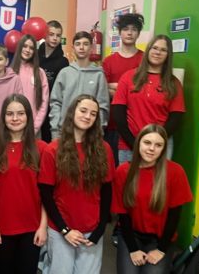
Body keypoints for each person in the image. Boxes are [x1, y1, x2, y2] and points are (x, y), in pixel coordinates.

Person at [39, 95, 114, 274]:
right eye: (83, 111)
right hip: (61, 226)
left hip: (91, 226)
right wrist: (65, 230)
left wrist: (100, 230)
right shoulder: (53, 149)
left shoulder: (104, 149)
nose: (87, 116)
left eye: (93, 114)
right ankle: (46, 255)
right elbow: (46, 194)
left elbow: (107, 190)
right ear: (72, 112)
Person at [112, 124, 192, 274]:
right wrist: (133, 249)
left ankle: (166, 261)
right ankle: (142, 260)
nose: (151, 149)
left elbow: (174, 216)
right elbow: (122, 215)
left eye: (158, 145)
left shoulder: (175, 172)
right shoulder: (123, 171)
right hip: (131, 235)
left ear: (164, 148)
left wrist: (161, 249)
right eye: (147, 142)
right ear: (138, 144)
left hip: (159, 238)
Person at [0, 94, 47, 274]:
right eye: (10, 114)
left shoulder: (41, 148)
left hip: (31, 225)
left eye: (20, 113)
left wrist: (43, 227)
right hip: (1, 224)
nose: (15, 118)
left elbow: (47, 193)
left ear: (28, 116)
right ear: (3, 117)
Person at [112, 34, 185, 164]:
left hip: (159, 146)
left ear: (168, 55)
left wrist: (155, 141)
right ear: (148, 50)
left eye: (163, 50)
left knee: (158, 178)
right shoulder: (128, 77)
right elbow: (118, 115)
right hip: (129, 144)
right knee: (127, 178)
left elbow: (176, 118)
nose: (158, 52)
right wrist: (135, 144)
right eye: (154, 48)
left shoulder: (174, 83)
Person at [50, 31, 110, 139]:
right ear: (73, 48)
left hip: (90, 135)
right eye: (78, 44)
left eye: (85, 44)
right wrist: (55, 131)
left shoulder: (99, 75)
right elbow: (55, 103)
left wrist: (98, 133)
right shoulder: (64, 73)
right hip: (64, 133)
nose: (81, 47)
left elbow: (102, 107)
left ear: (91, 48)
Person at [102, 13, 144, 162]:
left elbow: (143, 90)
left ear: (138, 33)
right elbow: (103, 90)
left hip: (137, 124)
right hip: (112, 124)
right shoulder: (108, 61)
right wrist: (128, 90)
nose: (130, 33)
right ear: (120, 32)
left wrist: (116, 87)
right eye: (126, 29)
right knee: (111, 167)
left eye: (134, 29)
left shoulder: (144, 60)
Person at [11, 34, 49, 135]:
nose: (27, 50)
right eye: (25, 46)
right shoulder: (10, 72)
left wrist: (35, 127)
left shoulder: (40, 73)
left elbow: (44, 102)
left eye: (31, 48)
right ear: (19, 47)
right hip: (12, 127)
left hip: (33, 129)